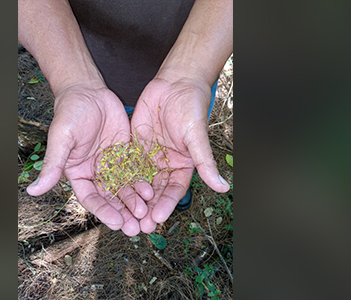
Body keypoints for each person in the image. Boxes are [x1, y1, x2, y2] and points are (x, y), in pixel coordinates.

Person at [18, 0, 232, 237]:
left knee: (176, 145)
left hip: (201, 54)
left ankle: (179, 185)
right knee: (139, 137)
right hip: (83, 58)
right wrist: (73, 80)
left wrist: (192, 73)